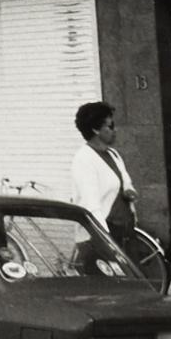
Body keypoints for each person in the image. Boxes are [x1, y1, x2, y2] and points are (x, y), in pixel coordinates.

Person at [69, 101, 139, 240]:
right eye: (110, 126)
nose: (115, 130)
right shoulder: (84, 159)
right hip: (101, 235)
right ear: (96, 129)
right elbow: (91, 205)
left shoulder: (113, 154)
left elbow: (125, 183)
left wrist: (129, 191)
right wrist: (105, 239)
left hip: (123, 231)